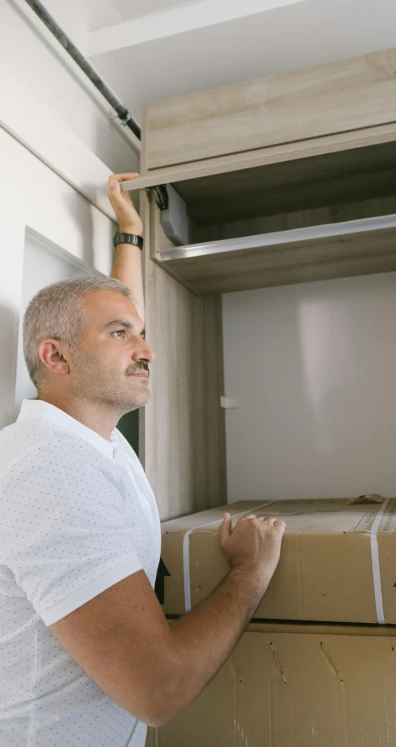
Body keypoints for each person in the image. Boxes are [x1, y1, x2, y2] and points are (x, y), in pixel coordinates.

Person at [0, 173, 286, 746]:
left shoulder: (91, 434)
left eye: (142, 333)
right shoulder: (53, 472)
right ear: (55, 356)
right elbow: (159, 690)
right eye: (121, 334)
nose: (147, 350)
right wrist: (249, 572)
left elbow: (116, 314)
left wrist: (130, 231)